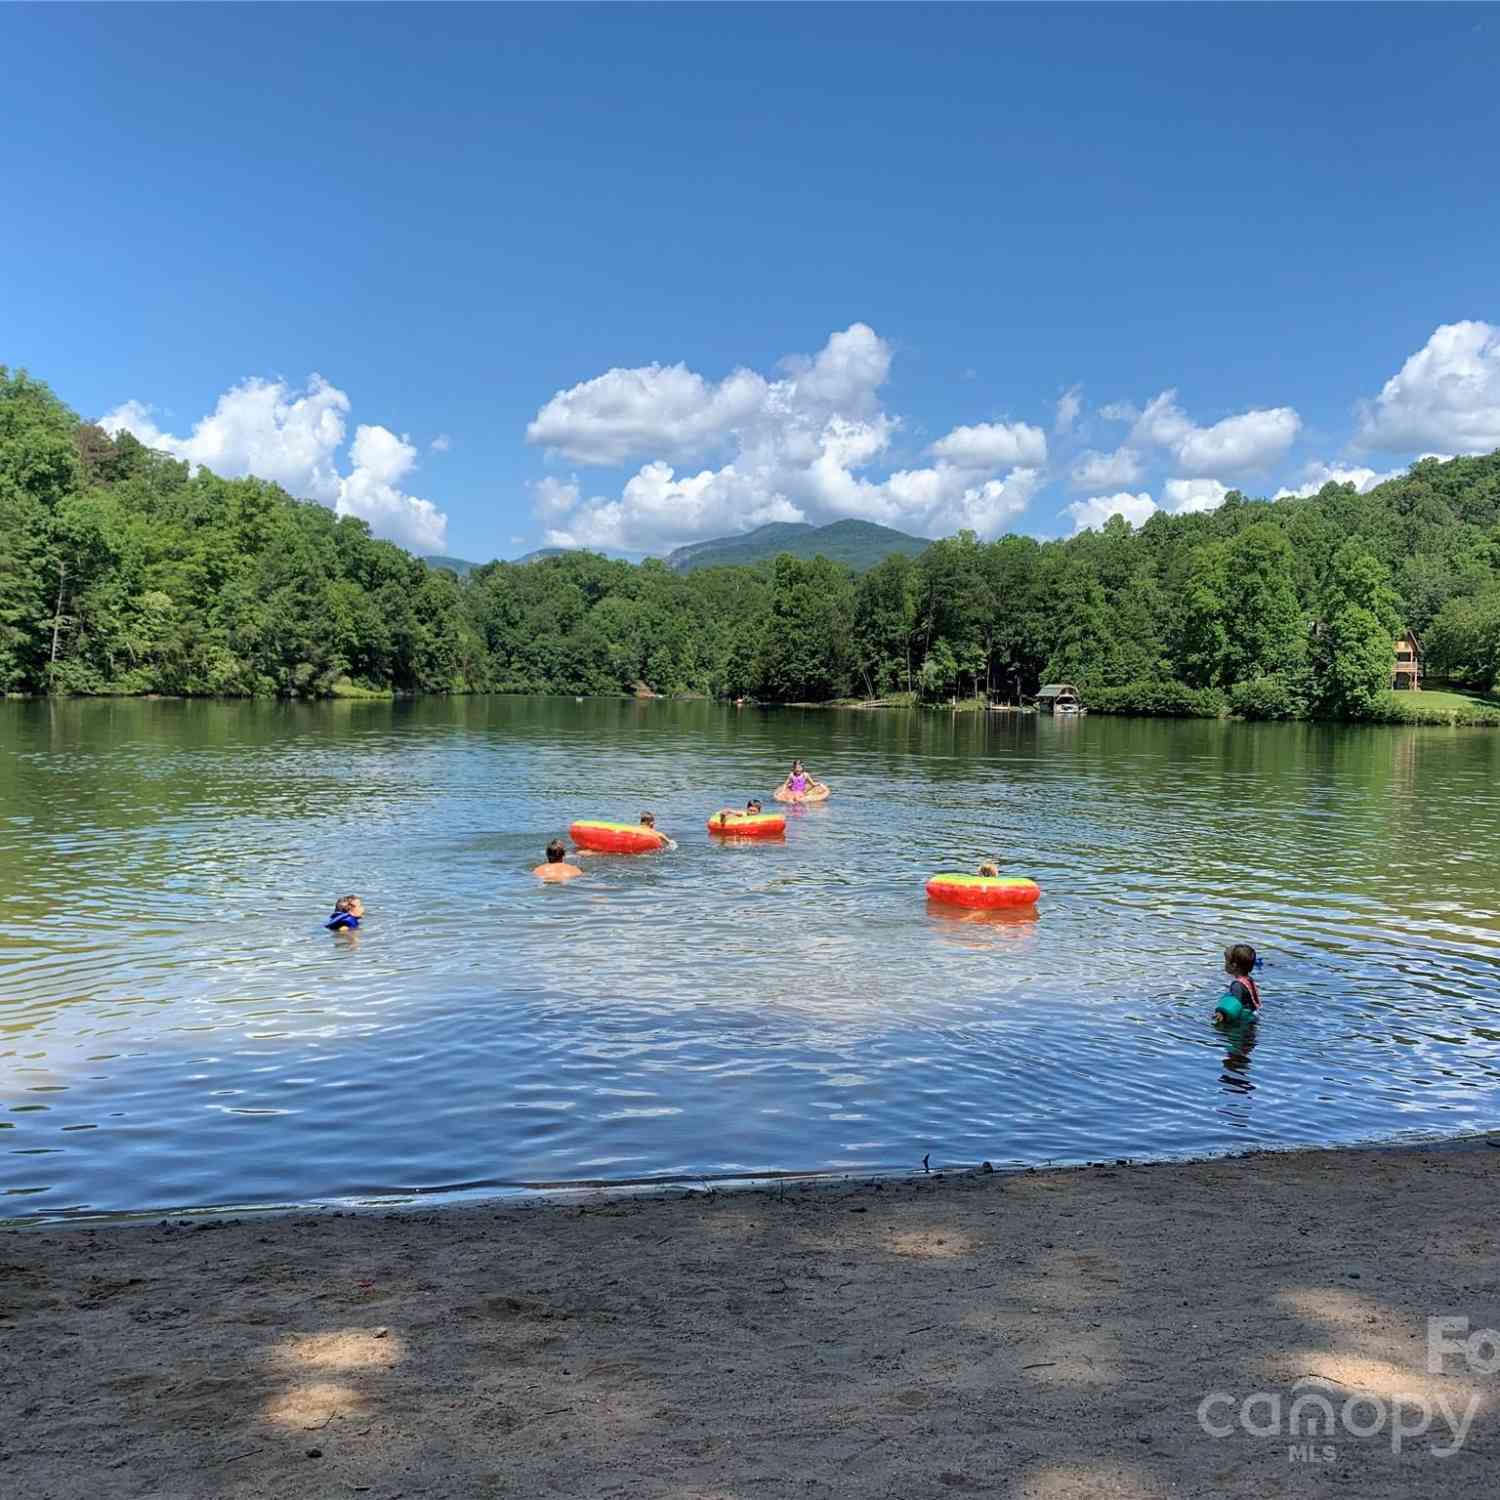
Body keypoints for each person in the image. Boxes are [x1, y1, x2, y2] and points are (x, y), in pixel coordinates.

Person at [1214, 943, 1262, 1024]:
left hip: (1241, 1023)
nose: (1225, 964)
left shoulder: (1237, 985)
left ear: (1234, 965)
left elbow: (1235, 1004)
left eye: (1226, 961)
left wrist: (1221, 1014)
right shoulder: (1249, 980)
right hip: (1251, 1018)